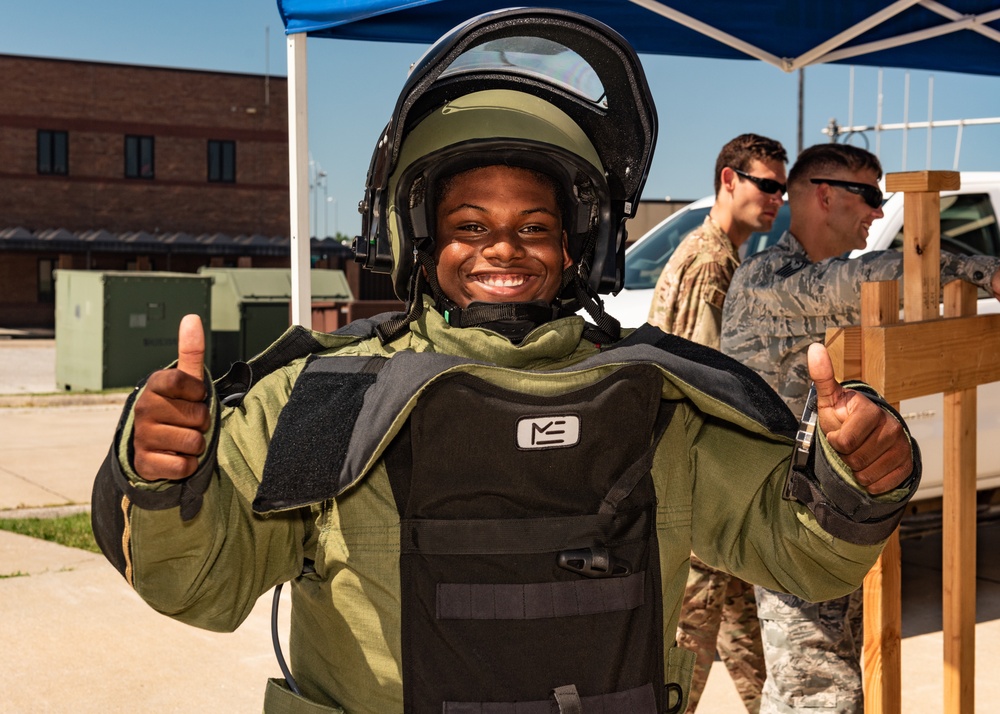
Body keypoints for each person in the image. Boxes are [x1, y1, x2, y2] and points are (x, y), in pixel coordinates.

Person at [91, 11, 920, 714]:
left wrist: (856, 478)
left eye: (533, 226)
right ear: (417, 239)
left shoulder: (654, 395)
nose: (503, 249)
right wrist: (163, 479)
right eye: (469, 224)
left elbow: (797, 552)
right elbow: (201, 584)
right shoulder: (330, 399)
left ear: (575, 246)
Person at [722, 142, 1000, 714]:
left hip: (831, 522)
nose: (878, 213)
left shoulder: (812, 281)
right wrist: (984, 271)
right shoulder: (767, 279)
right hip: (786, 532)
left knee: (813, 688)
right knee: (821, 696)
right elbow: (873, 279)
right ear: (824, 194)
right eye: (871, 195)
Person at [647, 133, 788, 713]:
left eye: (783, 187)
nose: (777, 198)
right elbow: (712, 384)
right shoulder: (712, 264)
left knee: (745, 639)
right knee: (684, 654)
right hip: (700, 488)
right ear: (729, 180)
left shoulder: (710, 253)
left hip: (700, 485)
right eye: (767, 184)